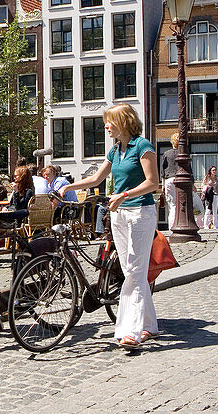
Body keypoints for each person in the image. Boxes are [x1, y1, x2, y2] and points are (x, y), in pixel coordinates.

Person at [59, 103, 160, 349]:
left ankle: (131, 331)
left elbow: (153, 183)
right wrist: (67, 187)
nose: (106, 126)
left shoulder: (143, 146)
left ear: (123, 122)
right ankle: (149, 325)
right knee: (130, 271)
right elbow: (96, 178)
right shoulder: (115, 150)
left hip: (140, 213)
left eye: (109, 121)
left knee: (135, 272)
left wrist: (124, 195)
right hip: (119, 215)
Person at [160, 132, 180, 229]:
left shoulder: (166, 154)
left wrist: (163, 185)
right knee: (179, 205)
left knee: (172, 206)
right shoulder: (183, 153)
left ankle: (171, 226)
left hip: (169, 180)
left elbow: (162, 171)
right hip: (180, 180)